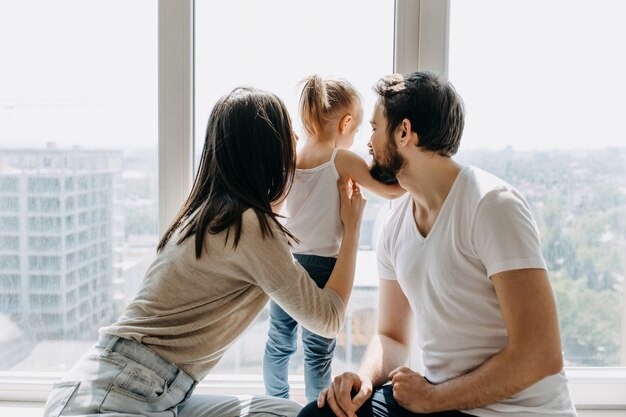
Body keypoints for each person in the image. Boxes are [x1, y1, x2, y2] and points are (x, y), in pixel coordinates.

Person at [42, 86, 366, 417]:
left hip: (139, 385)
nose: (296, 139)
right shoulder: (250, 226)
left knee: (282, 412)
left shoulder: (209, 214)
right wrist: (351, 227)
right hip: (114, 396)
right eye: (287, 135)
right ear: (266, 153)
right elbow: (328, 319)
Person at [298, 71, 577, 417]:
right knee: (320, 414)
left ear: (403, 132)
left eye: (374, 128)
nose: (367, 143)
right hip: (438, 401)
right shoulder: (393, 220)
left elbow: (540, 353)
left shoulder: (492, 205)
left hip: (516, 411)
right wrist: (364, 377)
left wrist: (434, 398)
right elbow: (393, 338)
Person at [263, 75, 404, 404]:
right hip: (324, 267)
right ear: (346, 122)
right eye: (356, 131)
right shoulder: (341, 160)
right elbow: (387, 189)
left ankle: (275, 404)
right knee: (317, 351)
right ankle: (316, 407)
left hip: (285, 263)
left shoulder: (291, 157)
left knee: (278, 341)